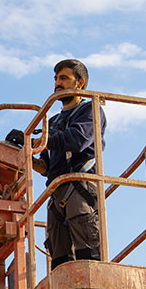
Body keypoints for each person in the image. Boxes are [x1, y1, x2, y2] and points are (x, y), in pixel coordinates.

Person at [31, 59, 106, 270]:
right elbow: (45, 165)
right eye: (55, 78)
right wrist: (27, 153)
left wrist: (42, 140)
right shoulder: (52, 122)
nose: (57, 83)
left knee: (87, 257)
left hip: (79, 187)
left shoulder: (90, 109)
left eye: (64, 78)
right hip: (56, 193)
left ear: (80, 83)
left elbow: (78, 139)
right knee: (60, 261)